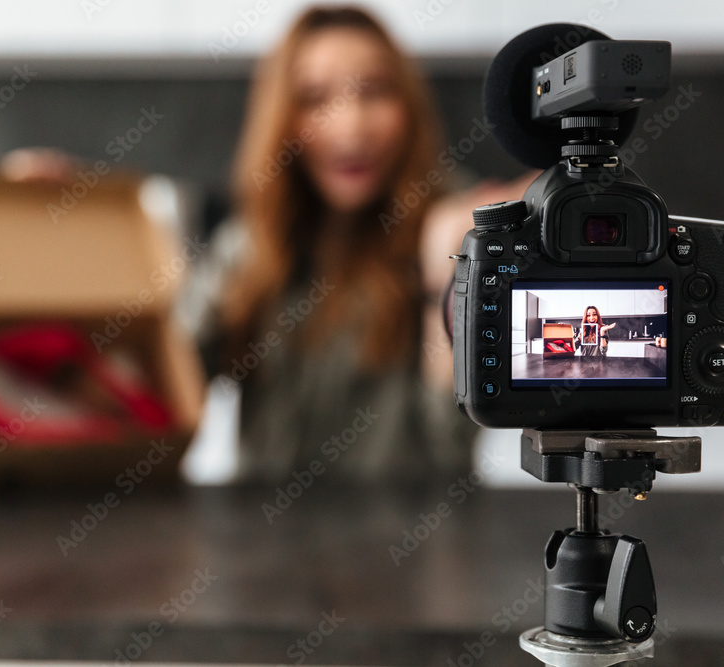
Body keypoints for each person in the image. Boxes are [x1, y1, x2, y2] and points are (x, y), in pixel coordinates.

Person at [178, 5, 530, 485]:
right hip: (267, 543)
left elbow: (449, 447)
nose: (351, 127)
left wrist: (444, 272)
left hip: (413, 543)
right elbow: (164, 387)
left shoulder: (461, 230)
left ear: (408, 105)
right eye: (314, 97)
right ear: (282, 117)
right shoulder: (252, 239)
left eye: (375, 91)